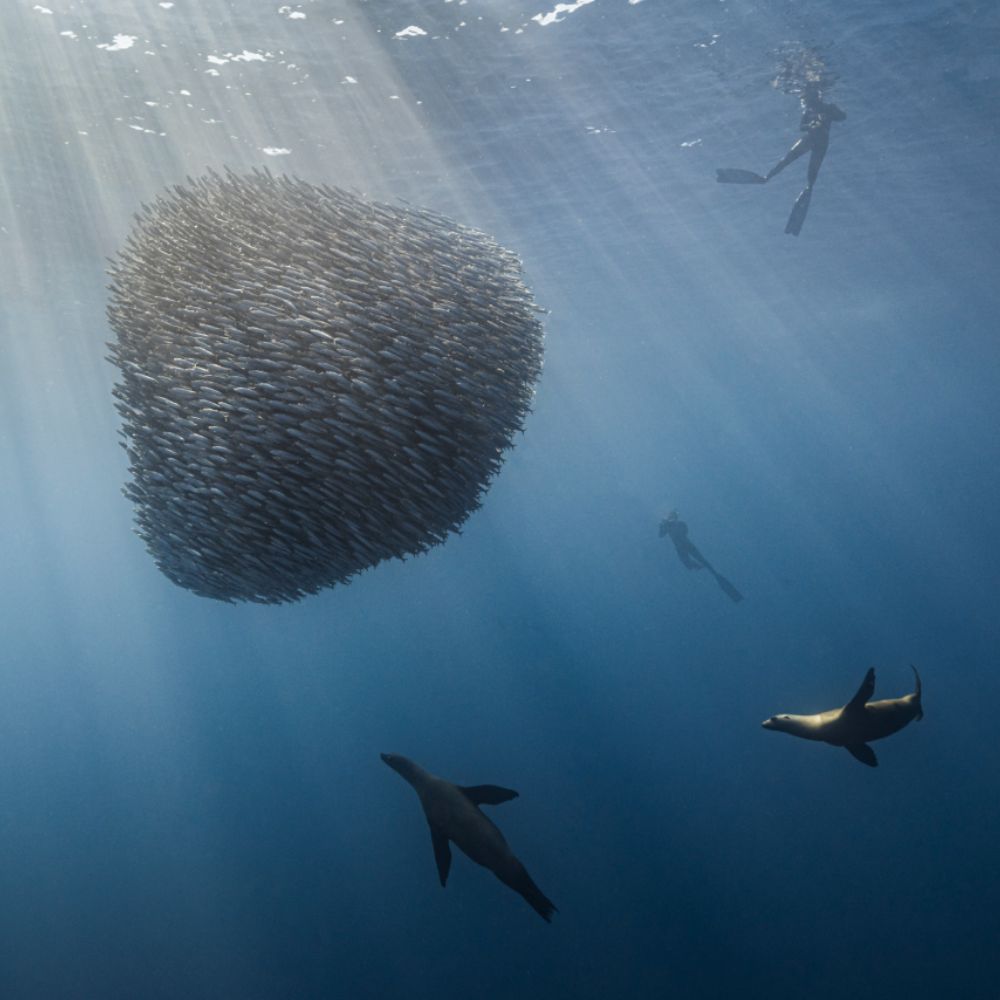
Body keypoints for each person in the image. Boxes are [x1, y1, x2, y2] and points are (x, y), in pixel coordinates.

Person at [716, 82, 846, 235]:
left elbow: (842, 117)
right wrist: (811, 124)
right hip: (811, 138)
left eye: (812, 95)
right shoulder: (810, 109)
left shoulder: (827, 107)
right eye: (809, 96)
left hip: (820, 141)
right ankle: (764, 179)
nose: (810, 98)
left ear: (817, 95)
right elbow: (802, 127)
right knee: (786, 161)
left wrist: (830, 112)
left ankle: (796, 189)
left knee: (811, 175)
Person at [659, 511, 743, 603]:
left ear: (675, 517)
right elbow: (661, 535)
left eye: (673, 516)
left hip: (687, 545)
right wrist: (663, 526)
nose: (671, 518)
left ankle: (710, 571)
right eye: (670, 517)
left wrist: (669, 526)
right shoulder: (668, 526)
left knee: (701, 561)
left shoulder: (678, 523)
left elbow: (685, 530)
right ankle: (700, 567)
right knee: (688, 564)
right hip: (681, 547)